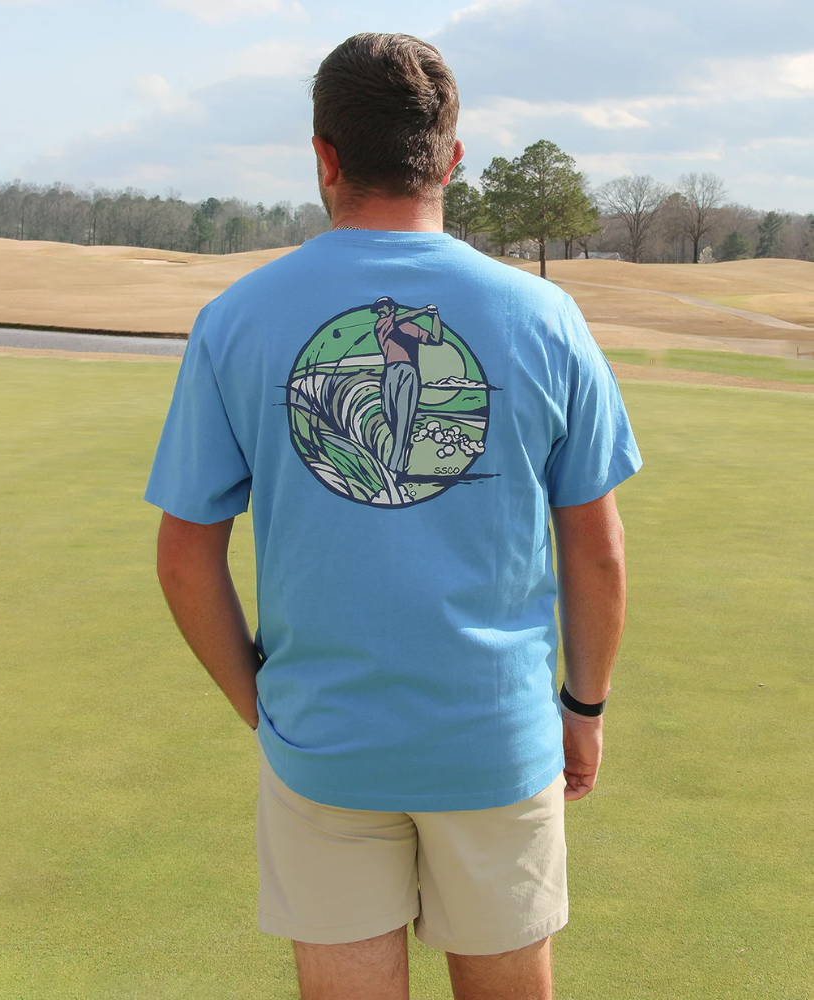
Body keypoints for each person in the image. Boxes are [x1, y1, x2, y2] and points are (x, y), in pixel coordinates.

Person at [145, 32, 641, 1000]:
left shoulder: (236, 318)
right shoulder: (544, 317)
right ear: (451, 160)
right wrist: (583, 709)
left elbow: (182, 558)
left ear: (323, 155)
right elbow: (597, 551)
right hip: (496, 743)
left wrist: (264, 710)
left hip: (322, 750)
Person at [370, 296, 443, 476]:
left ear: (392, 308)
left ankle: (395, 468)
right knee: (389, 413)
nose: (380, 310)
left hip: (408, 372)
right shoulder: (381, 324)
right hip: (389, 372)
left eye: (383, 307)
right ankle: (403, 446)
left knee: (403, 419)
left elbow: (435, 339)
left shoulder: (411, 328)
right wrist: (423, 311)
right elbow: (402, 318)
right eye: (378, 308)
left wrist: (435, 316)